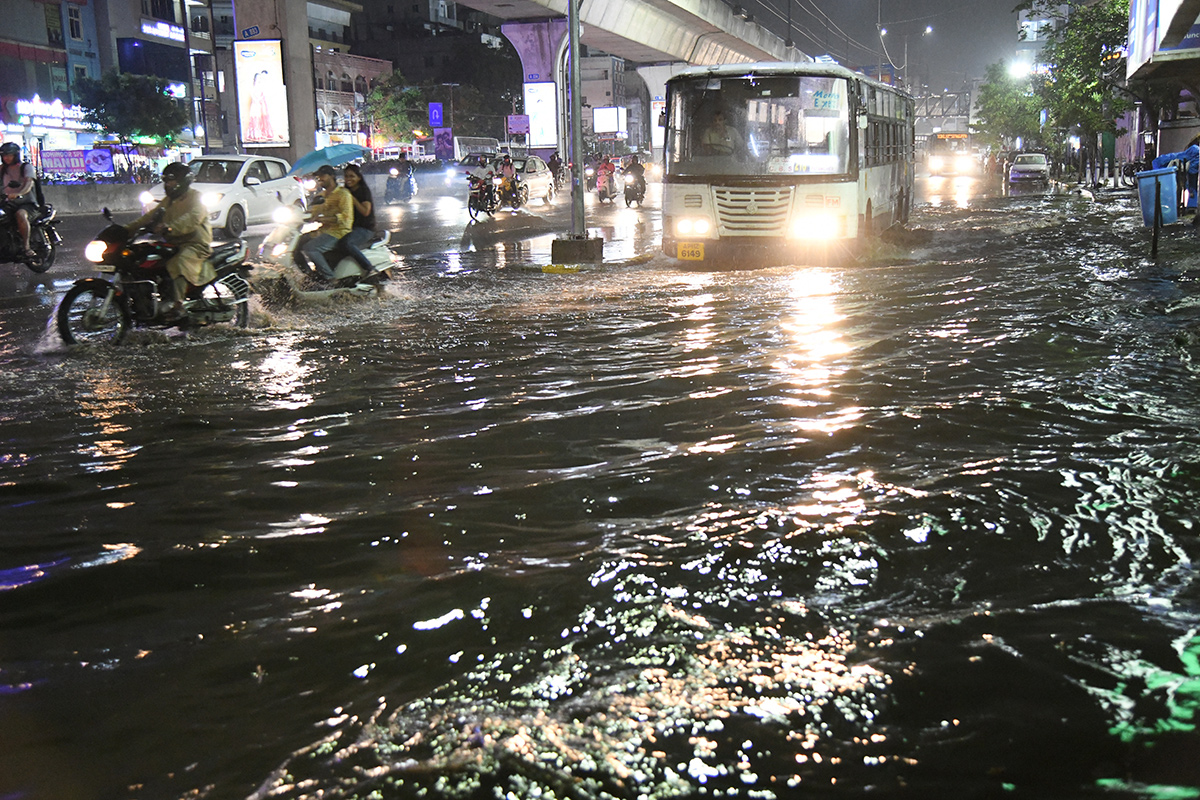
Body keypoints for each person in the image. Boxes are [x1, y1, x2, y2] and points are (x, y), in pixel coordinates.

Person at [125, 161, 213, 321]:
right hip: (174, 243)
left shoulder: (195, 197)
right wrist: (126, 229)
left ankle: (178, 305)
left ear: (182, 181)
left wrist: (170, 227)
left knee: (177, 263)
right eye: (166, 181)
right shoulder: (169, 200)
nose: (168, 184)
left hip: (196, 245)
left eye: (172, 181)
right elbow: (149, 216)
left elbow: (193, 218)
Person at [297, 164, 353, 282]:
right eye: (318, 178)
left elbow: (346, 218)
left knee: (311, 248)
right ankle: (310, 276)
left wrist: (325, 219)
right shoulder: (321, 195)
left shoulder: (343, 194)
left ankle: (330, 278)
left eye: (323, 177)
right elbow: (313, 212)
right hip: (324, 230)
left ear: (332, 176)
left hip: (339, 232)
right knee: (297, 244)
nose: (320, 180)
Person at [0, 142, 38, 259]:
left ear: (16, 155)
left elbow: (29, 183)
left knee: (20, 214)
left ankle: (26, 247)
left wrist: (19, 193)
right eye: (4, 155)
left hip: (26, 203)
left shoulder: (26, 167)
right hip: (7, 203)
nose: (6, 158)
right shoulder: (2, 169)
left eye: (9, 155)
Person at [340, 163, 376, 273]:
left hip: (364, 228)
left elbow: (365, 211)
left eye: (352, 176)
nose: (348, 179)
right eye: (346, 176)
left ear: (359, 177)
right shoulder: (344, 192)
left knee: (347, 243)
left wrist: (352, 198)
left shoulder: (363, 191)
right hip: (349, 227)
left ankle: (369, 268)